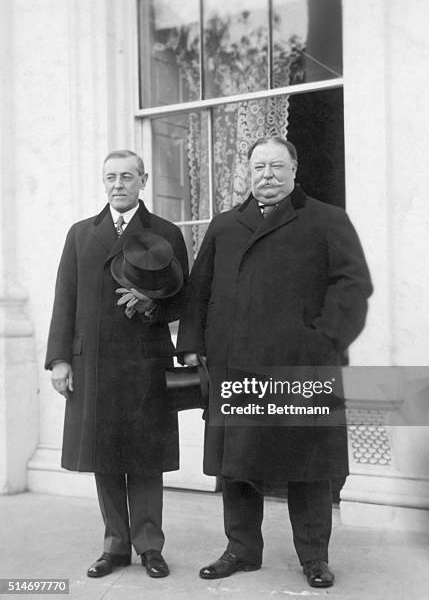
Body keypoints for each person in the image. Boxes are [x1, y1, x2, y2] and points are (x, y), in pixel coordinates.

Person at [177, 136, 372, 588]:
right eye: (259, 168)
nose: (267, 176)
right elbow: (199, 291)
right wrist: (191, 344)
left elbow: (352, 285)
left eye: (276, 167)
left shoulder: (327, 220)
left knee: (309, 465)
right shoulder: (225, 226)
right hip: (236, 364)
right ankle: (241, 550)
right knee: (238, 463)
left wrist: (323, 341)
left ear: (294, 170)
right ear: (248, 174)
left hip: (301, 368)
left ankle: (314, 557)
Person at [45, 150, 188, 579]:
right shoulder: (81, 234)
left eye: (128, 176)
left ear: (143, 180)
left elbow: (185, 297)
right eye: (111, 177)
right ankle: (115, 546)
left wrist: (152, 305)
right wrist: (59, 360)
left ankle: (149, 547)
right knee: (103, 456)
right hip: (94, 365)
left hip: (144, 362)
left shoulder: (165, 232)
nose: (118, 184)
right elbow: (64, 298)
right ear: (103, 182)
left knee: (145, 457)